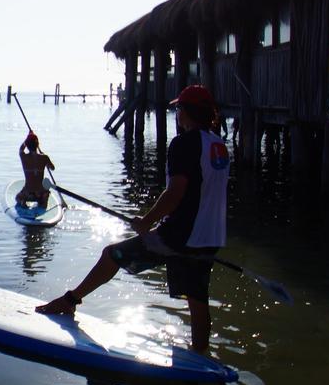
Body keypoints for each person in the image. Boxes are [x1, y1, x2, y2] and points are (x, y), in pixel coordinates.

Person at [36, 85, 230, 355]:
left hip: (180, 236)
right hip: (212, 236)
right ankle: (201, 356)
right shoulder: (219, 146)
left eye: (178, 109)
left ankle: (70, 300)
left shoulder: (184, 143)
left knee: (112, 254)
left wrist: (148, 221)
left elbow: (175, 192)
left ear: (186, 112)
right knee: (198, 298)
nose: (176, 114)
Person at [16, 131, 56, 207]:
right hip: (40, 194)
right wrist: (46, 161)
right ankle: (43, 203)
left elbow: (21, 149)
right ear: (37, 145)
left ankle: (23, 201)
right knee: (45, 192)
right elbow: (52, 168)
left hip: (28, 193)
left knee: (18, 197)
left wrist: (27, 137)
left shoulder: (24, 157)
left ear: (27, 145)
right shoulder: (44, 158)